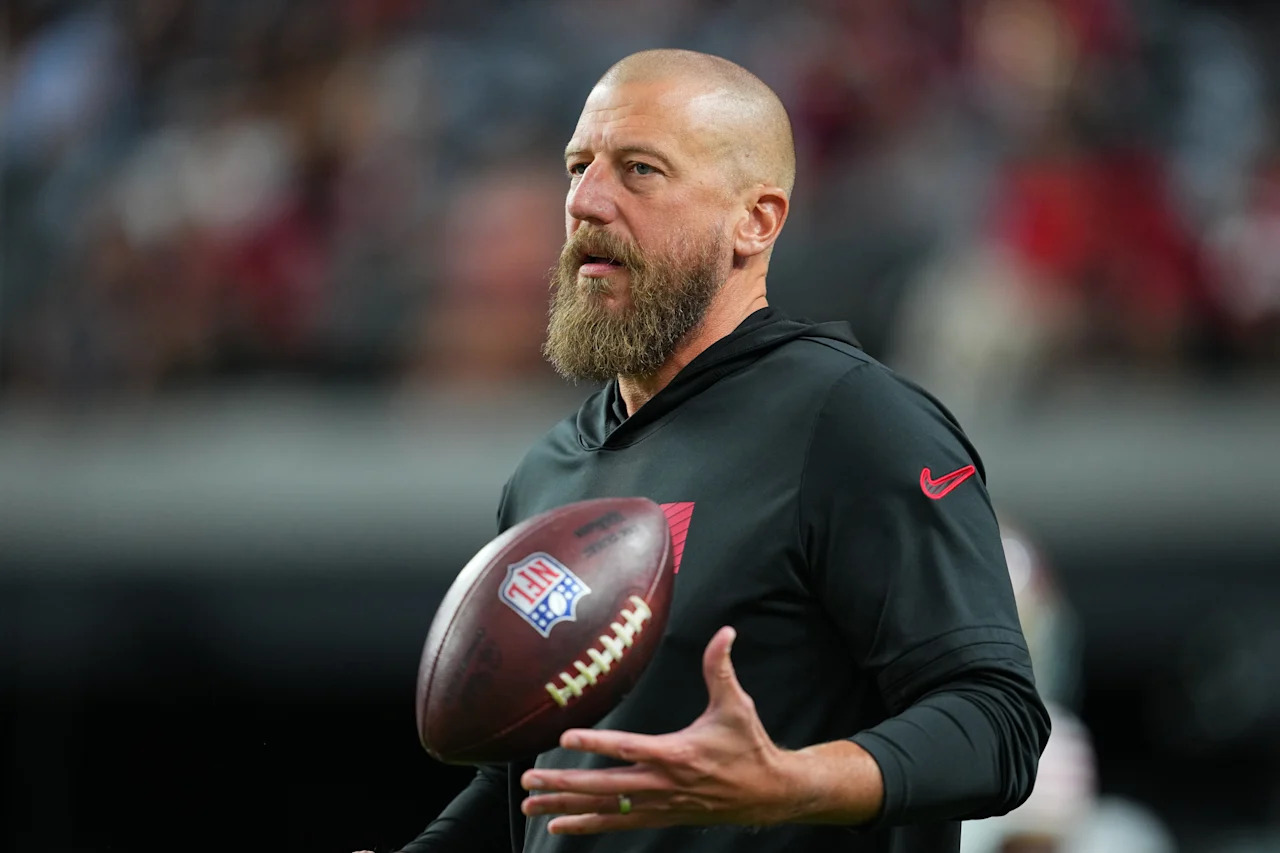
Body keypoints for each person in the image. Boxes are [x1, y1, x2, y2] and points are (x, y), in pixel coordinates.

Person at [379, 48, 1050, 853]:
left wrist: (791, 783)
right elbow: (530, 780)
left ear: (755, 220)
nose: (587, 200)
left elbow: (997, 722)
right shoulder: (547, 470)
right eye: (577, 167)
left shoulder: (854, 422)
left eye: (639, 170)